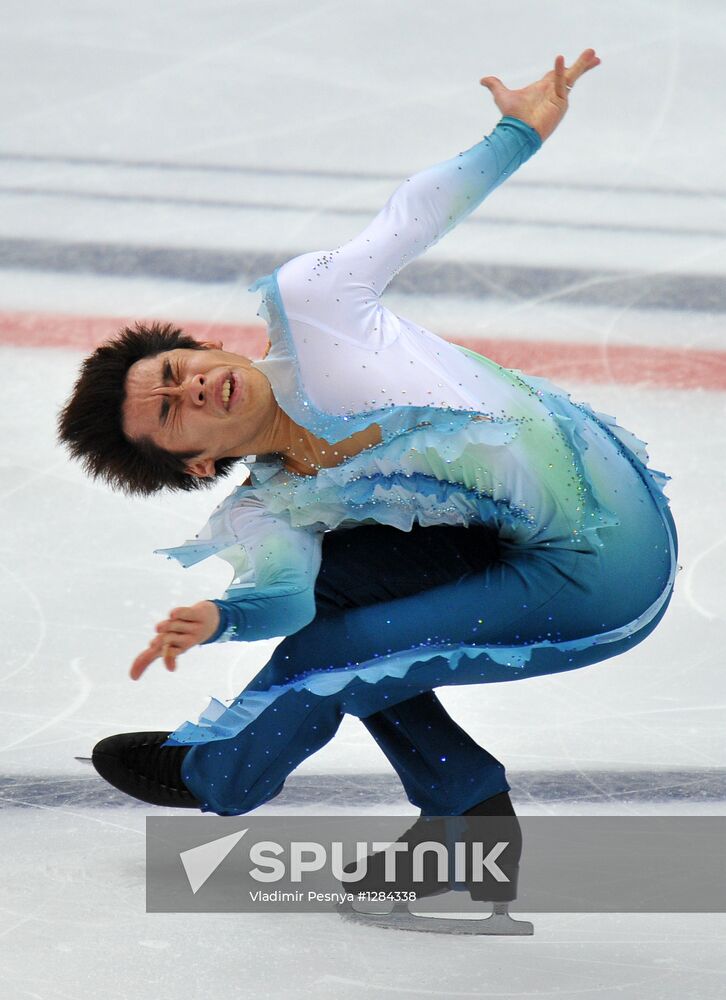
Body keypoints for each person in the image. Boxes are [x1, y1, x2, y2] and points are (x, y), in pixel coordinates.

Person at [59, 50, 677, 833]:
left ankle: (218, 772)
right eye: (174, 412)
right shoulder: (272, 509)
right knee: (334, 619)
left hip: (609, 570)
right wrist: (222, 615)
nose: (194, 388)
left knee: (335, 654)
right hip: (516, 551)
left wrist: (517, 131)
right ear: (197, 463)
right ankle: (467, 809)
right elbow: (283, 599)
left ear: (208, 348)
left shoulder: (316, 306)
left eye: (178, 370)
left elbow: (411, 215)